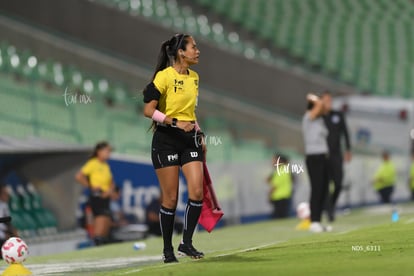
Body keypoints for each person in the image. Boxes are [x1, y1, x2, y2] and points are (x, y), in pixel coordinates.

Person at [142, 33, 206, 263]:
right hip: (166, 139)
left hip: (189, 139)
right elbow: (148, 111)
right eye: (193, 47)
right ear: (181, 52)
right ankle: (167, 249)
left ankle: (186, 243)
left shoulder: (195, 78)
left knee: (197, 191)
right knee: (170, 198)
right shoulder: (164, 76)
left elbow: (190, 113)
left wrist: (199, 133)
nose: (197, 51)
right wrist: (175, 122)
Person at [75, 141, 115, 245]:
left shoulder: (105, 165)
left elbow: (111, 181)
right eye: (107, 151)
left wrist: (110, 191)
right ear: (99, 151)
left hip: (106, 196)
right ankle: (96, 243)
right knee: (100, 220)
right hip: (98, 196)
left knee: (106, 223)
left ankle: (102, 245)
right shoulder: (93, 163)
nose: (108, 153)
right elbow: (79, 176)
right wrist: (91, 187)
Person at [321, 91, 352, 222]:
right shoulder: (318, 117)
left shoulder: (338, 115)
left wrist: (348, 149)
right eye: (325, 100)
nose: (328, 103)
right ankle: (329, 210)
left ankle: (330, 205)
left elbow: (345, 132)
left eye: (330, 100)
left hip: (336, 154)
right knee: (326, 184)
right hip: (322, 155)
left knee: (338, 183)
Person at [302, 93, 330, 233]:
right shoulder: (308, 117)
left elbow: (324, 109)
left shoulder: (319, 120)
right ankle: (314, 221)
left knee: (324, 189)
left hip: (322, 157)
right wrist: (316, 99)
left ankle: (318, 220)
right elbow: (319, 105)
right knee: (317, 188)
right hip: (314, 157)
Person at [267, 154, 293, 219]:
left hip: (279, 198)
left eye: (274, 160)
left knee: (278, 218)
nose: (272, 162)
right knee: (283, 217)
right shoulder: (285, 169)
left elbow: (274, 186)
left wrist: (269, 195)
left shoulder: (280, 171)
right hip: (285, 197)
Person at [0, 185, 17, 252]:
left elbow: (7, 221)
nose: (8, 196)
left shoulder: (4, 205)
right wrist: (7, 232)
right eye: (5, 193)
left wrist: (12, 230)